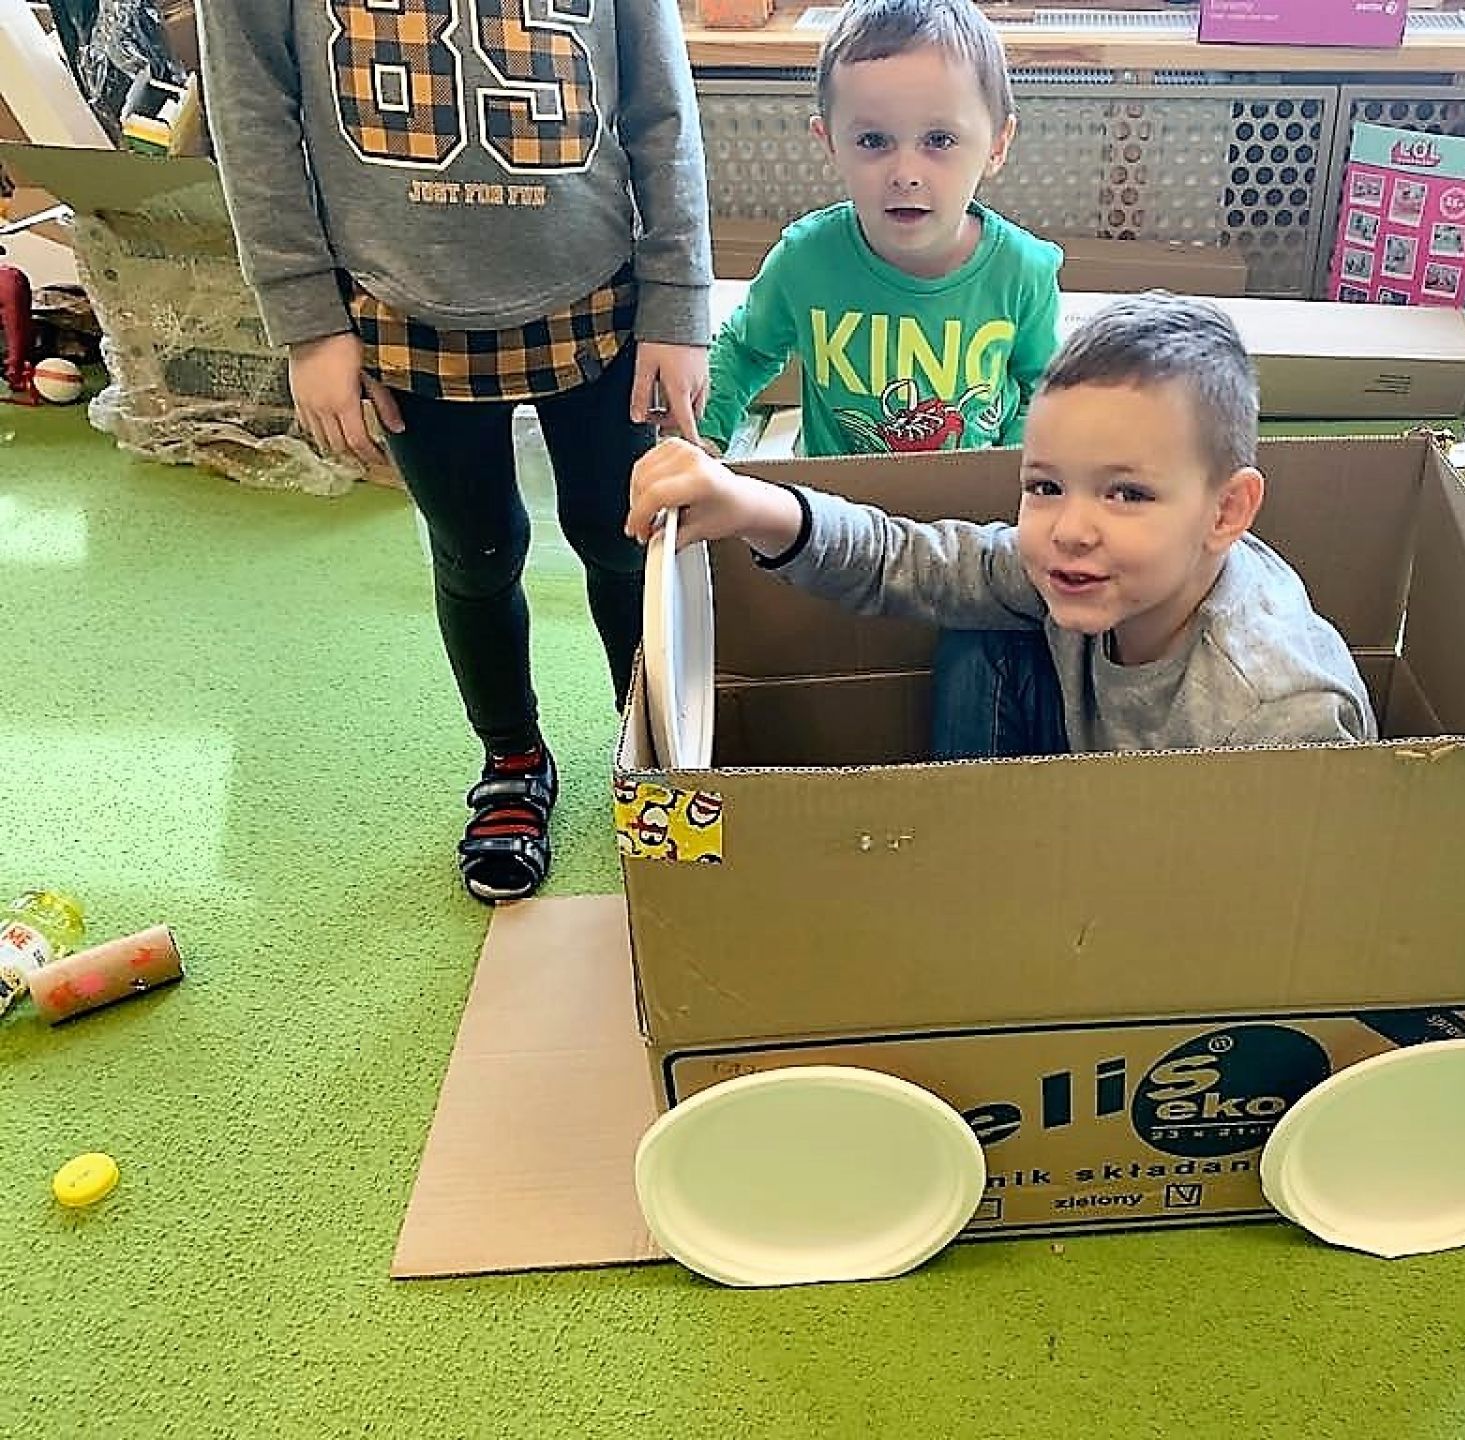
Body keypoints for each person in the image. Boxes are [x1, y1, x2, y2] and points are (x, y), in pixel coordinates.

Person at [198, 0, 714, 903]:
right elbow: (253, 111)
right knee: (475, 552)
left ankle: (652, 758)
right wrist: (307, 318)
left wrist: (679, 295)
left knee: (623, 537)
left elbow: (660, 103)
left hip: (600, 293)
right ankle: (512, 757)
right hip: (399, 308)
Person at [631, 293, 1378, 756]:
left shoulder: (1278, 713)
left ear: (1226, 512)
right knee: (979, 624)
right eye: (1046, 486)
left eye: (1126, 494)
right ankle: (975, 847)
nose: (1071, 529)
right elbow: (910, 562)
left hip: (1197, 872)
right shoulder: (1078, 570)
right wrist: (750, 504)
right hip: (1100, 798)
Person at [697, 0, 1061, 460]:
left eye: (939, 140)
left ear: (996, 145)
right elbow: (745, 350)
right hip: (832, 500)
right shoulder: (804, 260)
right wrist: (705, 436)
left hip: (970, 500)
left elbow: (1045, 391)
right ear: (830, 143)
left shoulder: (1023, 272)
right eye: (873, 141)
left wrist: (1013, 473)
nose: (905, 174)